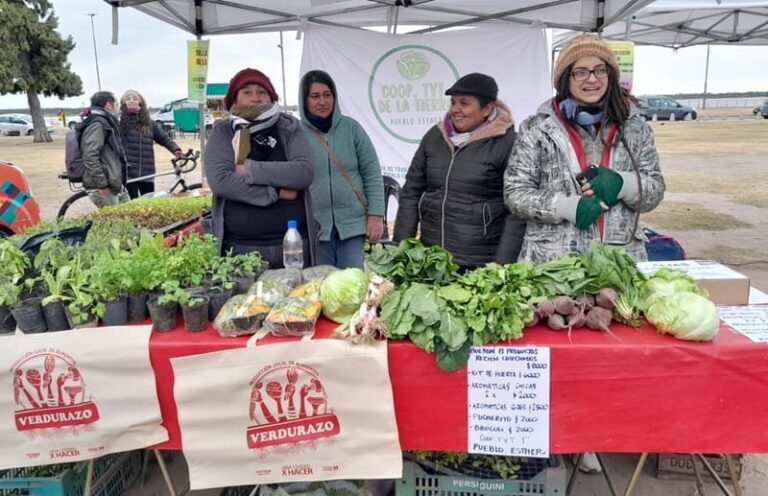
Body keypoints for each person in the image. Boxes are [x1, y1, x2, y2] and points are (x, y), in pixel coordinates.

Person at [503, 34, 666, 473]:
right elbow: (515, 194)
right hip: (552, 264)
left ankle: (588, 436)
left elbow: (655, 188)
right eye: (580, 71)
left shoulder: (634, 125)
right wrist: (566, 206)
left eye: (599, 70)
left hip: (616, 262)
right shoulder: (538, 129)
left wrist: (624, 185)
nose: (590, 79)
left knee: (604, 360)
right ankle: (548, 439)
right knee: (555, 359)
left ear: (611, 77)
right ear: (565, 79)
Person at [393, 73, 525, 271]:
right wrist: (401, 248)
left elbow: (516, 211)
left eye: (464, 103)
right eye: (453, 102)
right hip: (433, 259)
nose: (455, 110)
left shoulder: (508, 143)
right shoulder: (435, 136)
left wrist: (501, 266)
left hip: (480, 263)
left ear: (487, 109)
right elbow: (412, 190)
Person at [204, 68, 318, 267]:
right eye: (247, 92)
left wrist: (248, 169)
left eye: (262, 92)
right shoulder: (224, 131)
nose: (255, 99)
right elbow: (222, 181)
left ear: (271, 97)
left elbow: (303, 171)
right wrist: (276, 191)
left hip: (293, 246)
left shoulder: (290, 127)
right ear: (234, 100)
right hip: (240, 249)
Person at [299, 70, 385, 269]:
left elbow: (372, 172)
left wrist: (376, 215)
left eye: (327, 95)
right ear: (304, 100)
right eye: (315, 96)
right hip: (315, 229)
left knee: (353, 286)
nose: (322, 101)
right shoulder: (296, 134)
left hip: (353, 227)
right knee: (322, 289)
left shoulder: (352, 128)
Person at [119, 89, 183, 199]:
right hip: (128, 173)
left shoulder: (149, 123)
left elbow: (164, 138)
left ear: (140, 102)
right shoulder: (119, 122)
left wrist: (176, 149)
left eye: (135, 98)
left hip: (147, 171)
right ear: (123, 103)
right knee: (131, 205)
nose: (131, 101)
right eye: (128, 99)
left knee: (148, 204)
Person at [79, 91, 130, 208]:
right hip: (105, 187)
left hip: (114, 183)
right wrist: (102, 185)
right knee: (117, 224)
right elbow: (90, 156)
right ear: (109, 105)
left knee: (130, 220)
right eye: (116, 104)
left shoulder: (106, 122)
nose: (118, 108)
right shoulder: (98, 124)